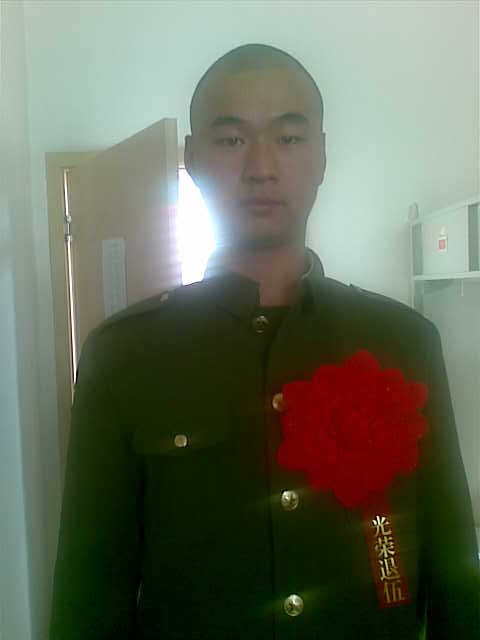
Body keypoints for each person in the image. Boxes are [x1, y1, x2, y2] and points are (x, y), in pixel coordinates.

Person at [49, 43, 479, 639]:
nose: (261, 167)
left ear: (322, 155)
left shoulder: (403, 343)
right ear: (193, 158)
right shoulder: (123, 357)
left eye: (289, 137)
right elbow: (89, 598)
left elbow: (456, 579)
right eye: (231, 140)